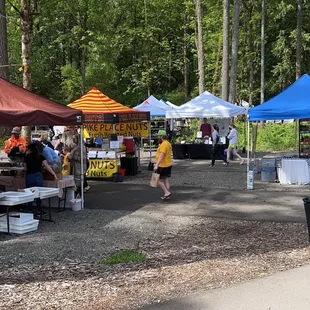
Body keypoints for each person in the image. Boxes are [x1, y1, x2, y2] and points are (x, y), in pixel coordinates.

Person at [24, 143, 58, 213]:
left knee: (29, 193)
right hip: (38, 175)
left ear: (30, 149)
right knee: (38, 193)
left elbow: (25, 168)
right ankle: (39, 209)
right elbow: (47, 167)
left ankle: (30, 209)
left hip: (29, 176)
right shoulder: (41, 156)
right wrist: (54, 174)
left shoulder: (26, 157)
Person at [154, 130, 172, 200]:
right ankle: (167, 194)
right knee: (165, 179)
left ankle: (166, 192)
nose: (158, 137)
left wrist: (156, 165)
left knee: (156, 180)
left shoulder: (164, 144)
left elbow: (162, 156)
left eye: (158, 136)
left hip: (163, 165)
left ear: (161, 137)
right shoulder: (168, 143)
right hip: (168, 164)